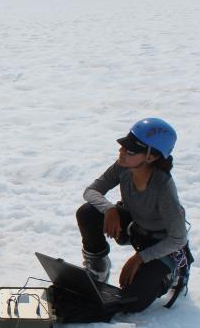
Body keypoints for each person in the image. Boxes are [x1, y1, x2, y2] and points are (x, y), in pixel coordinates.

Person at [76, 118, 193, 312]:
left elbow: (178, 238)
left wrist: (140, 258)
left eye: (130, 150)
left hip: (163, 245)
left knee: (133, 301)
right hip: (137, 228)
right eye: (123, 146)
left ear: (151, 157)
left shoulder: (163, 189)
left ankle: (170, 274)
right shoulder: (124, 166)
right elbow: (91, 191)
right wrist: (109, 209)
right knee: (88, 212)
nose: (122, 152)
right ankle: (98, 266)